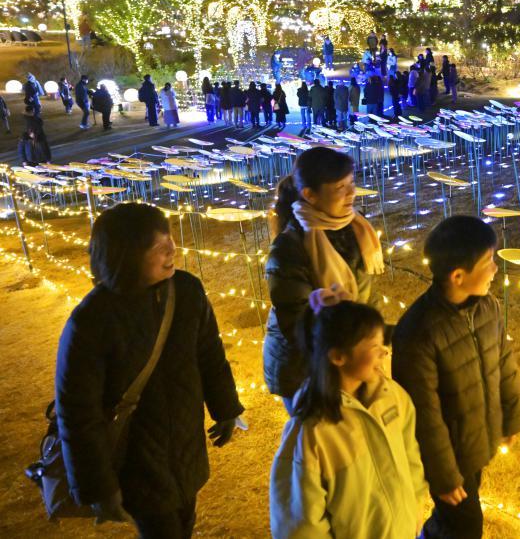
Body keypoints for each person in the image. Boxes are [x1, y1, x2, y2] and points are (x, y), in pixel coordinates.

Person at [54, 203, 243, 538]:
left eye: (169, 238)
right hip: (136, 463)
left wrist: (226, 409)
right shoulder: (91, 321)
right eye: (158, 246)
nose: (172, 249)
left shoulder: (186, 291)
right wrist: (99, 486)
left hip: (186, 449)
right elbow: (77, 412)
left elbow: (210, 354)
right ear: (126, 255)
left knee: (184, 521)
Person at [392, 215, 520, 539]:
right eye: (488, 262)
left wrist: (510, 416)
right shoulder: (418, 332)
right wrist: (443, 475)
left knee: (453, 522)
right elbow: (423, 414)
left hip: (474, 439)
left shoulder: (487, 307)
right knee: (466, 527)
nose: (496, 269)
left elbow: (503, 360)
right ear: (458, 276)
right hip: (448, 453)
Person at [269, 299, 426, 539]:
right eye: (374, 345)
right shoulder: (312, 433)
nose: (384, 351)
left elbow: (410, 455)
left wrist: (415, 505)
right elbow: (301, 525)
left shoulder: (392, 397)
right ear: (338, 357)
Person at [263, 147, 385, 411]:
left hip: (350, 357)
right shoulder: (290, 249)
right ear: (310, 195)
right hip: (306, 367)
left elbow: (366, 297)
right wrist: (350, 352)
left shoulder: (356, 229)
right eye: (340, 187)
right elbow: (299, 324)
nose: (352, 192)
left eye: (352, 182)